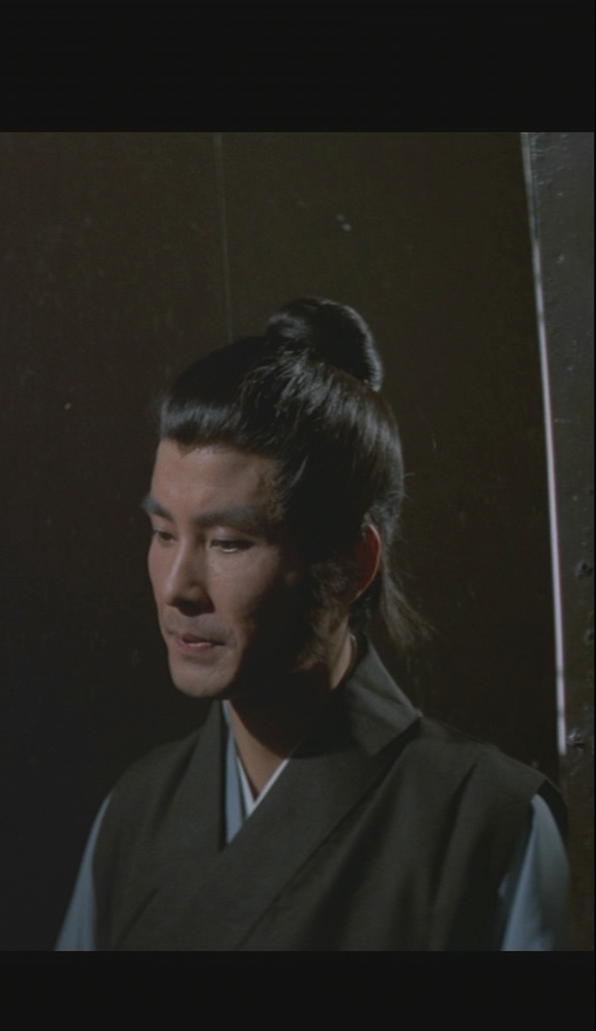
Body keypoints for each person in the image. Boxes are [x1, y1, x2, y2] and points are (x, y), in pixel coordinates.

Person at [57, 298, 569, 950]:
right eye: (163, 533)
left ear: (352, 562)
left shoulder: (486, 818)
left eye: (229, 543)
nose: (176, 587)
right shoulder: (134, 815)